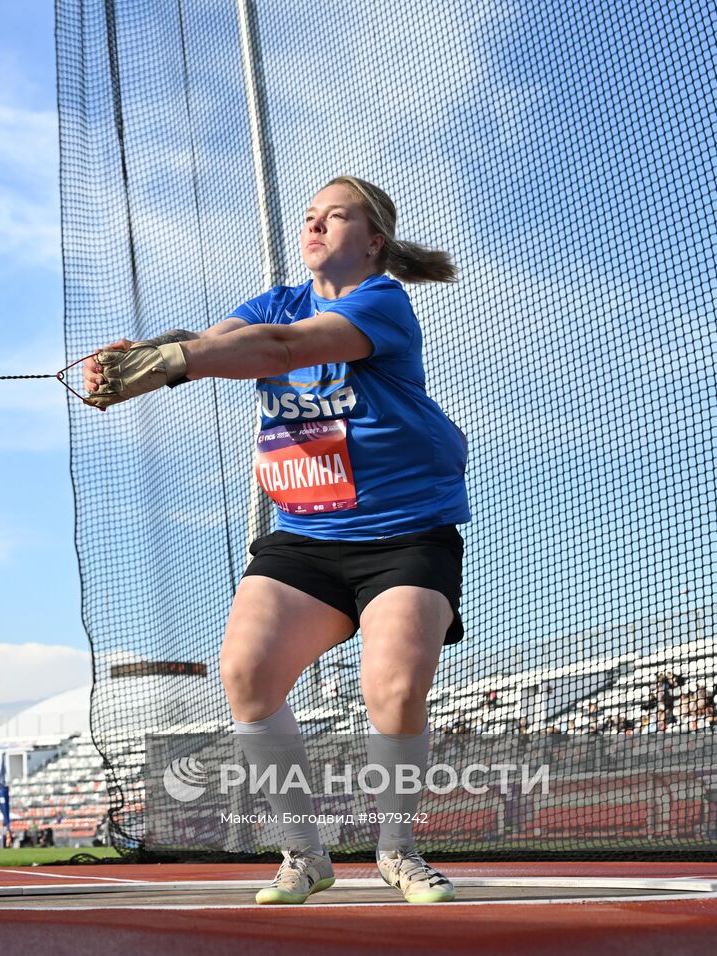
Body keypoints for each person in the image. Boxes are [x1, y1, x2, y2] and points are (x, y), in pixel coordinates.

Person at [85, 175, 467, 905]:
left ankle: (397, 849)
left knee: (391, 687)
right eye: (311, 217)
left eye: (337, 216)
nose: (317, 226)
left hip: (405, 533)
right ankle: (304, 855)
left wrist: (175, 364)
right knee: (247, 673)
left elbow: (282, 349)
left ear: (373, 240)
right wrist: (151, 354)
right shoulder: (274, 301)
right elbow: (219, 340)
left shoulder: (381, 300)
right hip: (307, 539)